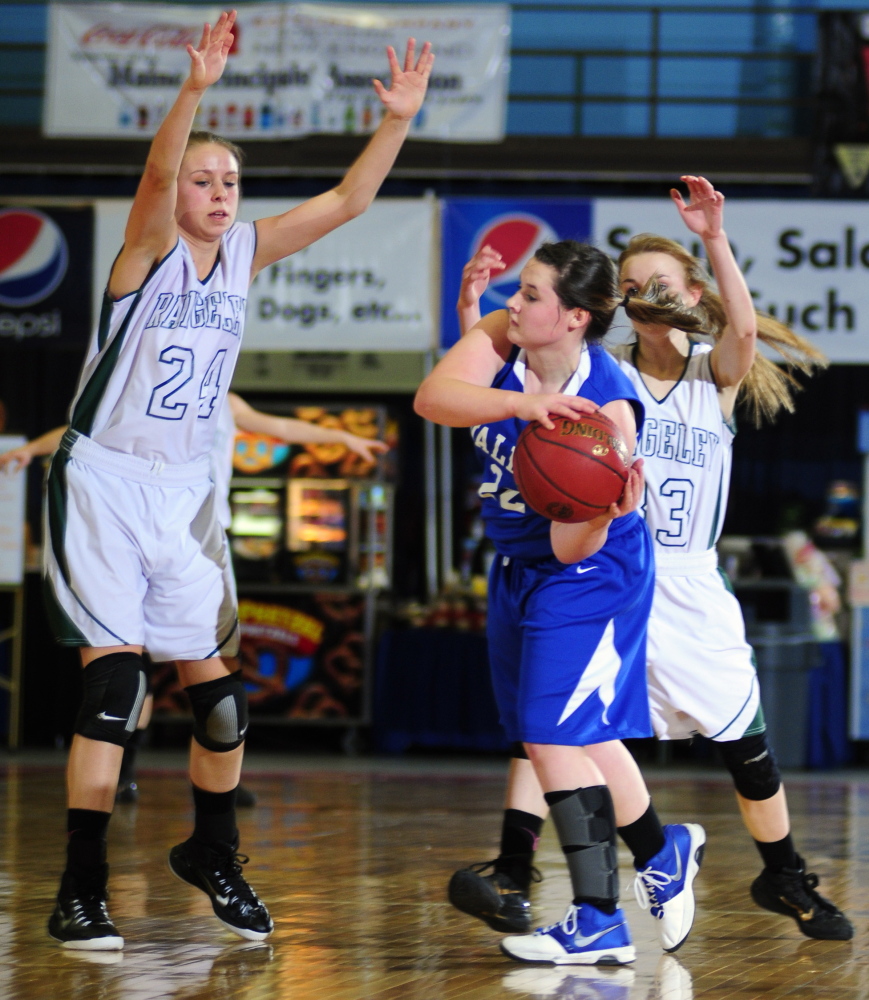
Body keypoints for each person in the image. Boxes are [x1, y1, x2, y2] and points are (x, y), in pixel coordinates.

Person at [39, 9, 431, 950]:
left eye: (231, 181)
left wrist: (396, 121)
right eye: (205, 179)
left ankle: (212, 852)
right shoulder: (146, 253)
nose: (217, 192)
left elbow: (345, 205)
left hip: (182, 497)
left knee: (221, 705)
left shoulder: (248, 251)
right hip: (104, 483)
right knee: (115, 692)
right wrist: (193, 92)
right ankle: (80, 886)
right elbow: (154, 176)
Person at [449, 176, 852, 943]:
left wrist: (713, 238)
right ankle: (518, 863)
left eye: (657, 284)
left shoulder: (714, 374)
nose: (641, 295)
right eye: (629, 286)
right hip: (610, 566)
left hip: (690, 582)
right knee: (554, 725)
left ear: (689, 292)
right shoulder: (609, 376)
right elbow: (516, 372)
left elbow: (740, 323)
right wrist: (475, 320)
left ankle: (783, 874)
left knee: (742, 742)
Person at [415, 240, 705, 966]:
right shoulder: (501, 336)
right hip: (518, 566)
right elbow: (431, 400)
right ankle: (658, 847)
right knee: (564, 731)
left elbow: (575, 547)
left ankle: (598, 916)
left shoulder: (606, 410)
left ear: (575, 318)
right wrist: (522, 399)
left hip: (590, 570)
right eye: (517, 290)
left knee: (549, 731)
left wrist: (602, 511)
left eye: (532, 295)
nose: (514, 302)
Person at [1, 394, 388, 805]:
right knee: (132, 670)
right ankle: (122, 774)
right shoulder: (154, 389)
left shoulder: (228, 400)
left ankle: (220, 785)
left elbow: (284, 428)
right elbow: (85, 434)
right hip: (149, 534)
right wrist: (30, 448)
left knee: (218, 676)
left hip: (202, 540)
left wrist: (340, 437)